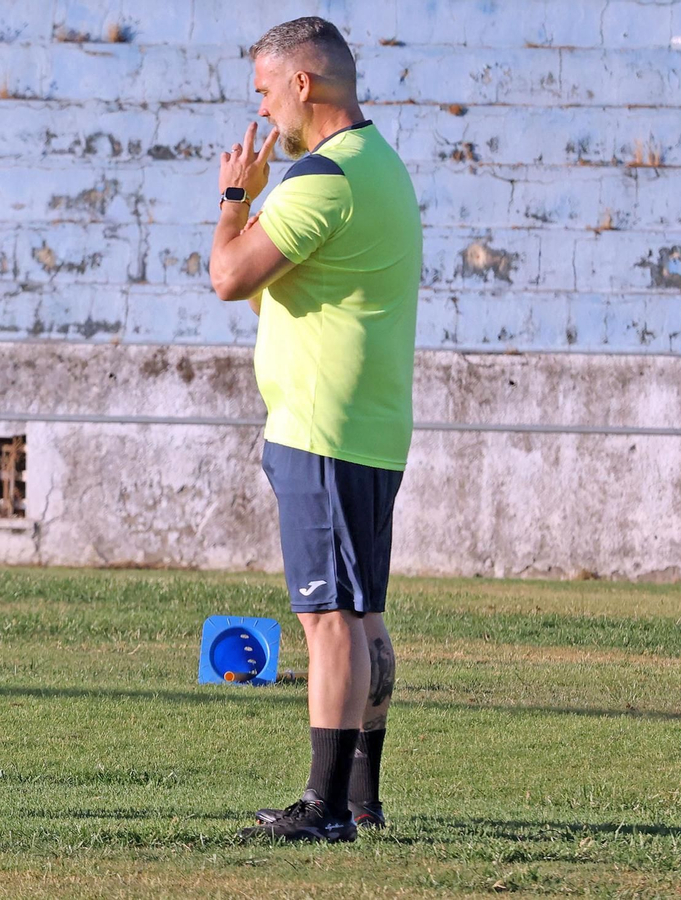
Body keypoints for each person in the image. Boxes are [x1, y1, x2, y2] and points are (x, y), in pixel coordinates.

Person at [206, 17, 421, 843]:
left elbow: (228, 275)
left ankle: (324, 806)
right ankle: (361, 797)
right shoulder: (381, 167)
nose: (261, 108)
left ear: (303, 83)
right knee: (362, 615)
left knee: (328, 616)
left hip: (323, 430)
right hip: (366, 428)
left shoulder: (323, 178)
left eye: (264, 89)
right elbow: (281, 290)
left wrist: (235, 198)